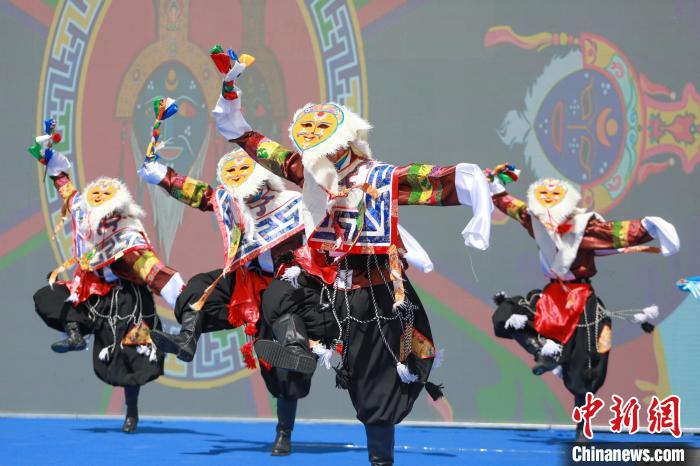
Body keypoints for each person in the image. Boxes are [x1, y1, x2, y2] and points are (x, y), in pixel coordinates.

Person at [208, 46, 493, 465]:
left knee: (372, 387)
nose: (312, 141)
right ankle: (298, 347)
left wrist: (475, 191)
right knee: (279, 294)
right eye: (308, 134)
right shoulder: (306, 172)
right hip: (325, 288)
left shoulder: (378, 176)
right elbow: (250, 141)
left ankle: (380, 459)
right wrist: (230, 87)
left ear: (342, 139)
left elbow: (429, 180)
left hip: (374, 296)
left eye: (321, 134)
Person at [486, 164, 679, 441]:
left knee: (585, 366)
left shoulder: (584, 226)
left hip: (580, 299)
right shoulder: (534, 220)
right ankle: (544, 353)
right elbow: (511, 206)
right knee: (507, 315)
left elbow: (618, 232)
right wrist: (495, 187)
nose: (548, 198)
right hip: (551, 297)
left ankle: (582, 426)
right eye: (543, 194)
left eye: (555, 194)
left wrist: (649, 226)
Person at [138, 145, 311, 456]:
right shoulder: (230, 204)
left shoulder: (293, 203)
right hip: (246, 281)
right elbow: (201, 195)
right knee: (199, 288)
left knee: (280, 369)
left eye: (243, 168)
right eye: (230, 171)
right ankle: (187, 340)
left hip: (286, 288)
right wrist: (164, 176)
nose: (237, 175)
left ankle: (284, 431)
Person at [29, 119, 184, 433]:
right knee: (49, 294)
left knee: (130, 353)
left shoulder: (127, 229)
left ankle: (132, 413)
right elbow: (65, 188)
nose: (99, 195)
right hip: (92, 289)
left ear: (118, 202)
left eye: (106, 193)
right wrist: (51, 157)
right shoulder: (82, 210)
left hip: (126, 296)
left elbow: (147, 265)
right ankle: (76, 334)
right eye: (95, 192)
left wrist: (178, 296)